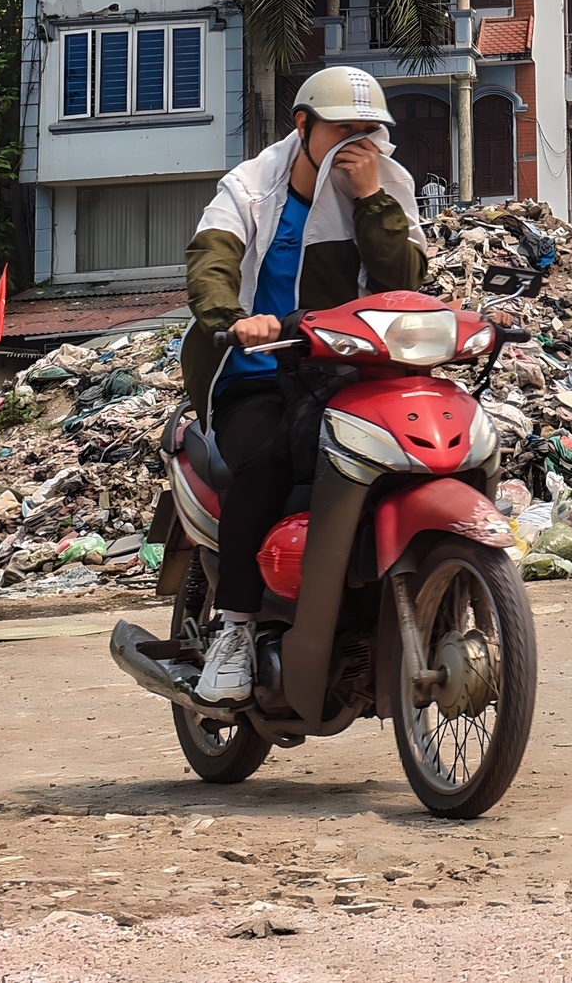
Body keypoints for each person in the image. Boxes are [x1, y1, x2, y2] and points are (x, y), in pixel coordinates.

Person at [181, 66, 428, 702]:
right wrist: (235, 321)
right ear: (303, 126)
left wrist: (372, 198)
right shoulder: (250, 188)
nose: (358, 144)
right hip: (257, 373)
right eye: (344, 130)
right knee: (265, 458)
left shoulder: (384, 187)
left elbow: (405, 280)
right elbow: (210, 263)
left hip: (348, 372)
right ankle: (236, 626)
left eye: (369, 131)